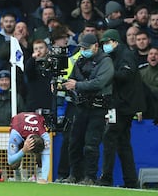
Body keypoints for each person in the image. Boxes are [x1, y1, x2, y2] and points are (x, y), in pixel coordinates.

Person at [61, 34, 114, 185]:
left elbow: (98, 83)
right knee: (74, 142)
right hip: (81, 106)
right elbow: (71, 79)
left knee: (91, 143)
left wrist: (77, 85)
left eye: (86, 48)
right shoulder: (80, 60)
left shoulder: (106, 62)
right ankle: (74, 175)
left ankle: (90, 176)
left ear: (96, 46)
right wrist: (62, 85)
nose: (83, 50)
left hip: (98, 108)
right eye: (82, 47)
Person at [97, 29, 146, 188]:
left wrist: (108, 73)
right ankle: (131, 181)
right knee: (123, 143)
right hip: (122, 105)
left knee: (110, 138)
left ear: (115, 41)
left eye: (106, 42)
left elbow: (126, 75)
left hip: (121, 105)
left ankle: (106, 178)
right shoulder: (118, 54)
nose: (105, 45)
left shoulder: (125, 54)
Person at [7, 112, 51, 184]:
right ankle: (17, 175)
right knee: (14, 164)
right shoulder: (15, 135)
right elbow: (10, 160)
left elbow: (46, 157)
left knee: (41, 158)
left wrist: (44, 178)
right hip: (20, 128)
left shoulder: (45, 136)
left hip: (31, 126)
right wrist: (23, 151)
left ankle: (40, 176)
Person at [24, 39, 53, 112]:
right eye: (36, 48)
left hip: (49, 101)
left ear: (46, 49)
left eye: (41, 48)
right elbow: (28, 70)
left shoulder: (52, 63)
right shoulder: (31, 64)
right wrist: (33, 58)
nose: (38, 50)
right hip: (34, 103)